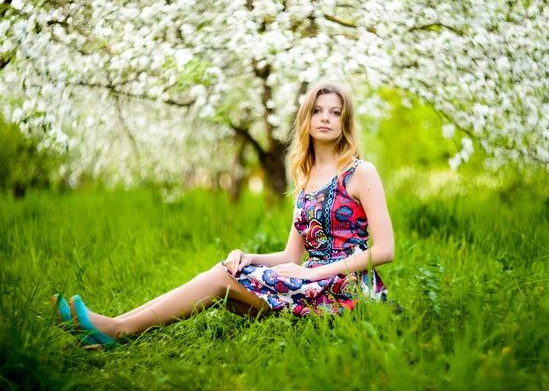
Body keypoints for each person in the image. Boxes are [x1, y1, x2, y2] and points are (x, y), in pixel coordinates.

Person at [52, 83, 396, 350]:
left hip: (347, 292)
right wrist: (250, 257)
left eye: (335, 113)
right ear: (305, 119)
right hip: (310, 283)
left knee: (219, 280)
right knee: (229, 269)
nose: (325, 118)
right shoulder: (304, 180)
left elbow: (385, 251)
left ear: (345, 121)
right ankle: (110, 325)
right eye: (318, 111)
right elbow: (292, 256)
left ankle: (115, 330)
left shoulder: (360, 173)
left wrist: (315, 272)